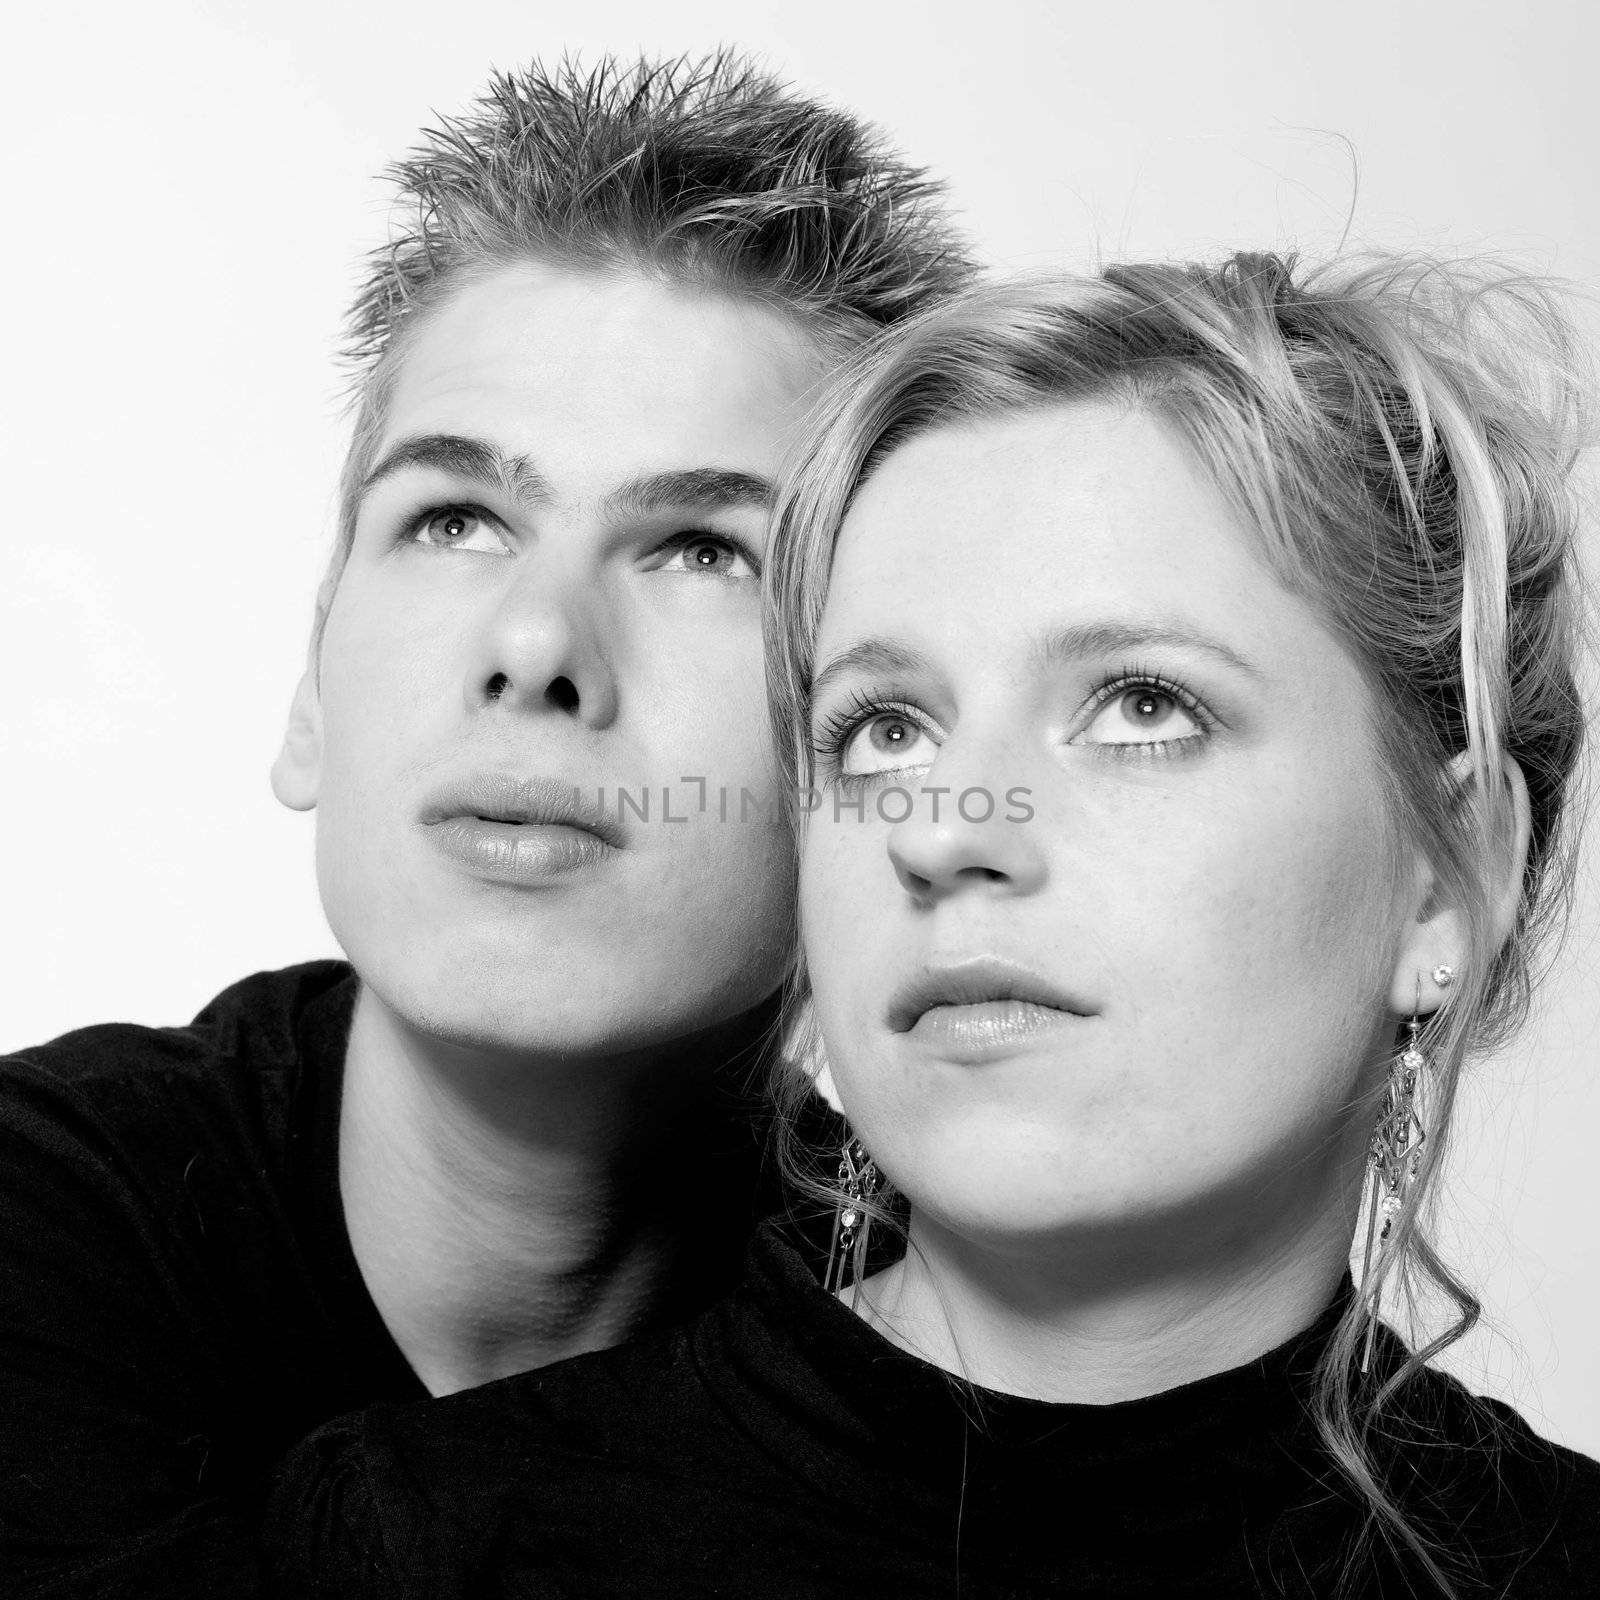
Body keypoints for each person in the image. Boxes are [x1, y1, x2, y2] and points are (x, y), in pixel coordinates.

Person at [267, 253, 1598, 1598]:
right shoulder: (435, 1539)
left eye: (1142, 705)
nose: (948, 826)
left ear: (1449, 880)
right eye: (884, 730)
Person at [0, 52, 972, 1600]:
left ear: (878, 748)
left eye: (705, 551)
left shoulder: (980, 1334)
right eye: (456, 520)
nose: (536, 641)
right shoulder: (42, 1228)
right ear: (314, 685)